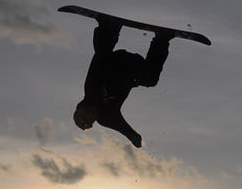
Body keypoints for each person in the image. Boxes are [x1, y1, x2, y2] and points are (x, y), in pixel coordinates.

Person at [73, 18, 175, 147]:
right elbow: (122, 127)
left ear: (82, 111)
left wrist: (107, 30)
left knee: (102, 56)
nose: (92, 121)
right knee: (150, 79)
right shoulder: (106, 118)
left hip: (117, 61)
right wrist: (134, 137)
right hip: (132, 69)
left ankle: (108, 27)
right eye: (91, 123)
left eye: (88, 120)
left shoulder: (91, 90)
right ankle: (162, 39)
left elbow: (98, 60)